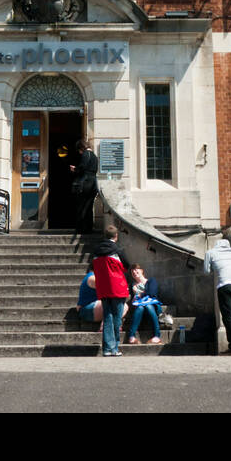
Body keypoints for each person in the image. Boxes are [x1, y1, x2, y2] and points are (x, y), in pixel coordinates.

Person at [90, 224, 131, 356]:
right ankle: (114, 348)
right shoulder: (117, 250)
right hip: (117, 287)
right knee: (117, 318)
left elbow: (93, 268)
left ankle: (107, 349)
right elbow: (126, 265)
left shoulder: (96, 251)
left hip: (103, 287)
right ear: (116, 236)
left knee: (107, 316)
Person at [204, 235, 231, 355]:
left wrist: (215, 267)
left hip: (223, 286)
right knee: (229, 317)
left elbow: (206, 271)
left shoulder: (211, 253)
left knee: (228, 317)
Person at [125, 263, 162, 345]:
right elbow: (132, 300)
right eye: (132, 272)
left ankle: (157, 336)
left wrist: (139, 294)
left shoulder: (151, 281)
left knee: (148, 306)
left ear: (142, 271)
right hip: (139, 308)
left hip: (152, 306)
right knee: (140, 307)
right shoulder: (132, 285)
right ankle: (131, 337)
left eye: (136, 269)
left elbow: (152, 294)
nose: (134, 272)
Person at [70, 137, 99, 234]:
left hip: (86, 183)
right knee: (89, 206)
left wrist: (75, 169)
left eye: (79, 150)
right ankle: (88, 228)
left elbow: (83, 167)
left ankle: (81, 229)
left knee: (81, 205)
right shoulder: (94, 156)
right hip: (93, 183)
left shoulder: (86, 154)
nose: (79, 153)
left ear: (81, 148)